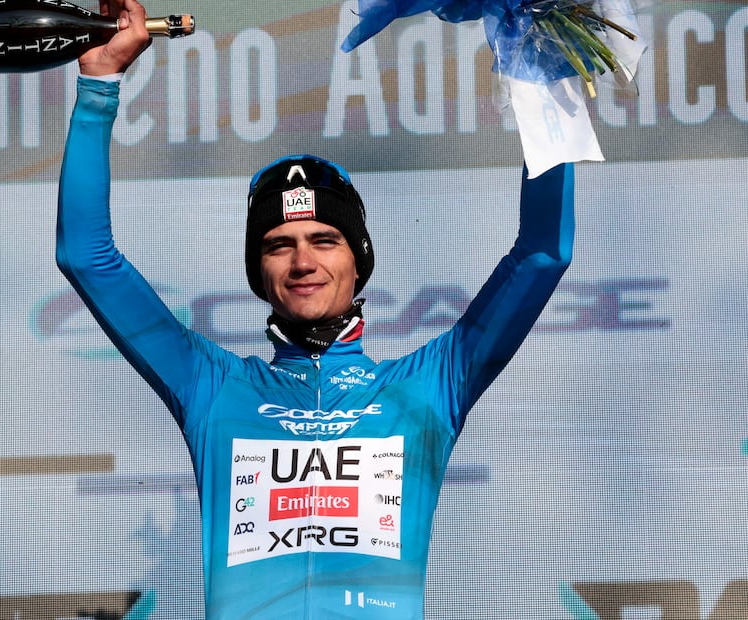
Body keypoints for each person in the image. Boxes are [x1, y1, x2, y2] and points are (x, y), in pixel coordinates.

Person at [56, 0, 575, 617]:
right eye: (279, 246)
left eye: (324, 240)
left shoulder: (434, 383)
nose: (303, 262)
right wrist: (98, 85)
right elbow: (87, 256)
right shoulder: (211, 386)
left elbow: (543, 252)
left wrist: (543, 63)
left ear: (359, 260)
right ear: (259, 274)